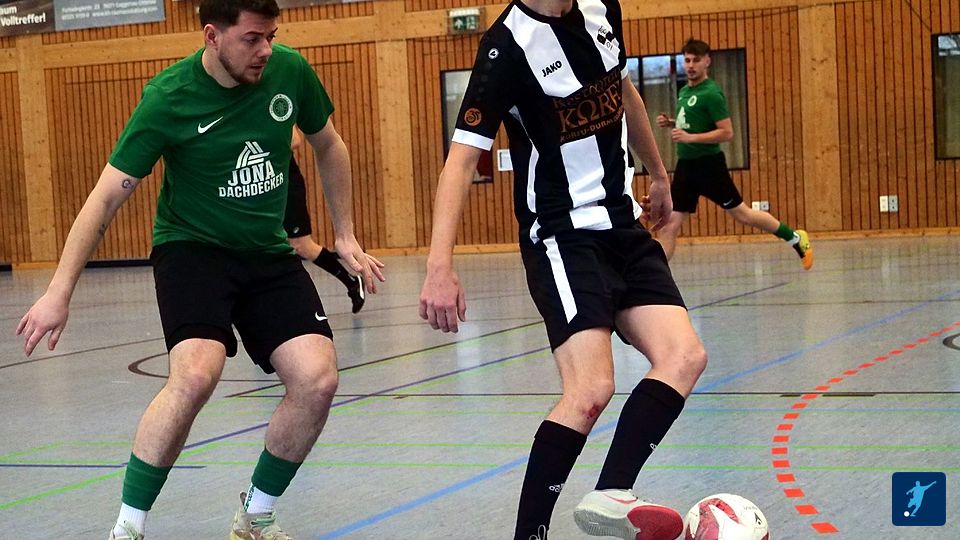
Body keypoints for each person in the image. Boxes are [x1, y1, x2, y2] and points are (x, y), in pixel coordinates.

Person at [15, 0, 383, 538]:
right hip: (192, 250)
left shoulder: (290, 72)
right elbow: (105, 197)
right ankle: (127, 528)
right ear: (212, 36)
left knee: (317, 379)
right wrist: (58, 291)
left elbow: (329, 144)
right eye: (252, 38)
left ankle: (255, 517)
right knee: (194, 375)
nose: (266, 50)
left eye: (271, 36)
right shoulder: (169, 97)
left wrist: (344, 233)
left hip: (266, 252)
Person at [418, 0, 708, 538]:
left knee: (685, 356)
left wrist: (659, 173)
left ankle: (612, 491)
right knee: (591, 389)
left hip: (623, 224)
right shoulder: (505, 48)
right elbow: (459, 161)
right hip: (561, 236)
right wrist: (440, 266)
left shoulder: (602, 8)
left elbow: (622, 89)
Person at [654, 38, 813, 270]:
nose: (690, 65)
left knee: (743, 214)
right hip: (686, 167)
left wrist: (690, 138)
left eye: (696, 60)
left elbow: (726, 132)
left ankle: (794, 237)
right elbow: (693, 123)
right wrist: (671, 122)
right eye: (687, 60)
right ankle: (656, 275)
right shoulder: (685, 91)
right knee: (670, 224)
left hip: (709, 166)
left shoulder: (712, 94)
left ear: (707, 61)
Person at [285, 128, 381, 313]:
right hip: (254, 191)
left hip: (287, 185)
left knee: (302, 246)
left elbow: (295, 139)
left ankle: (351, 281)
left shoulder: (271, 112)